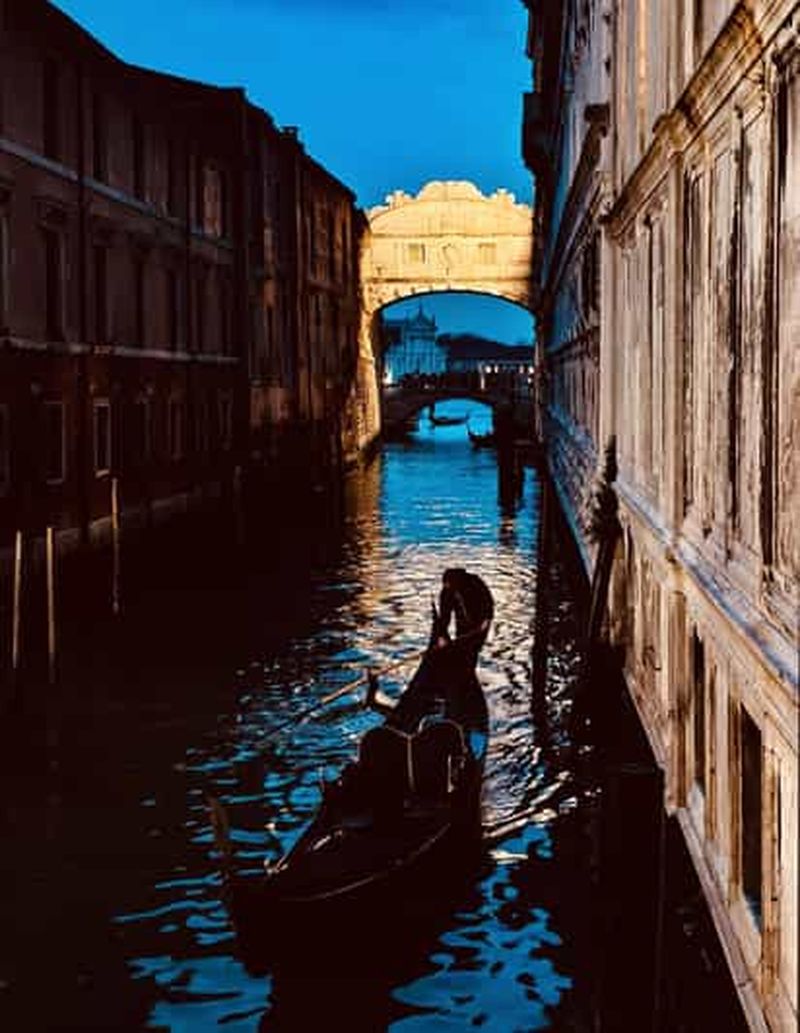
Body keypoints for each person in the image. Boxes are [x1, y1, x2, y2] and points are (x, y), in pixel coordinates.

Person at [436, 567, 493, 667]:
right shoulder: (446, 592)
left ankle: (470, 663)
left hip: (479, 619)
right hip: (462, 621)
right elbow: (445, 615)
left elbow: (488, 602)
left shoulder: (474, 583)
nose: (447, 587)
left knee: (474, 648)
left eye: (449, 585)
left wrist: (487, 620)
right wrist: (442, 634)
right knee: (461, 644)